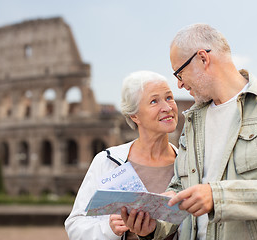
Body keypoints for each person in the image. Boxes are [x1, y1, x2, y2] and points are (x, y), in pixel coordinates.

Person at [121, 23, 257, 240]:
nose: (179, 84)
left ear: (203, 59)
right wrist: (153, 226)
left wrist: (218, 197)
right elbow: (180, 190)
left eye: (179, 72)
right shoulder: (193, 122)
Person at [64, 70, 179, 240]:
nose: (167, 107)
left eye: (169, 97)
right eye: (154, 101)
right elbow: (75, 225)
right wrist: (109, 229)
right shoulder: (107, 161)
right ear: (135, 116)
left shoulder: (187, 163)